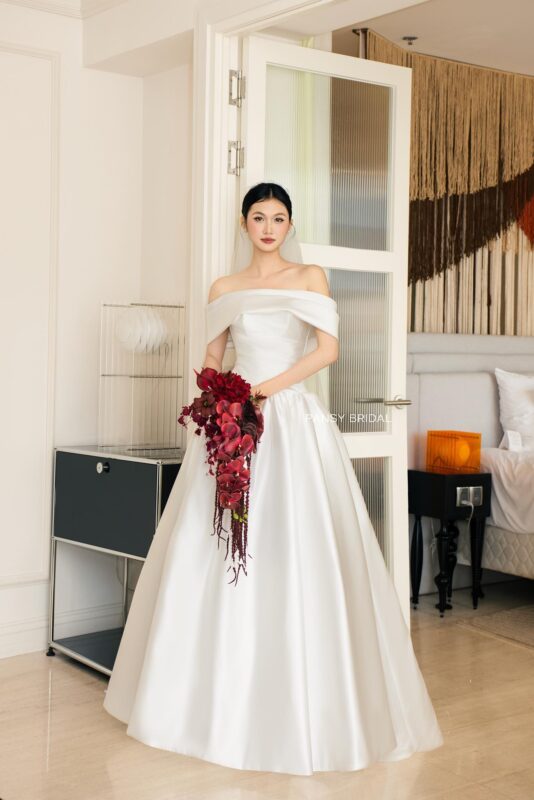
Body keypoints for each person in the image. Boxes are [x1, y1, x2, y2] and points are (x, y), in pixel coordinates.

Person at [103, 181, 444, 775]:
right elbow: (214, 356)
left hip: (287, 419)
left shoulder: (309, 277)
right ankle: (198, 702)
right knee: (212, 543)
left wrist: (260, 392)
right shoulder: (224, 287)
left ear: (289, 225)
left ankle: (301, 695)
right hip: (233, 419)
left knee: (291, 542)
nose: (268, 227)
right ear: (244, 224)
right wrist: (216, 399)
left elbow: (327, 351)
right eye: (258, 217)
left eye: (278, 218)